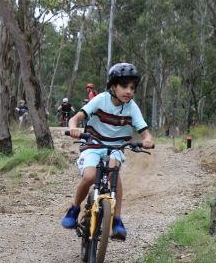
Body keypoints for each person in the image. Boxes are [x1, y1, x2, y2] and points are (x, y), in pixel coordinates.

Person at [61, 63, 154, 241]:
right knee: (89, 177)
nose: (129, 91)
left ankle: (117, 220)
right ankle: (74, 209)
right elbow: (77, 117)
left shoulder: (132, 107)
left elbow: (144, 130)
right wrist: (73, 128)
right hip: (93, 145)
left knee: (114, 174)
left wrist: (147, 139)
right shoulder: (101, 99)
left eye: (132, 88)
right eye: (124, 86)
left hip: (116, 148)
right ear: (113, 86)